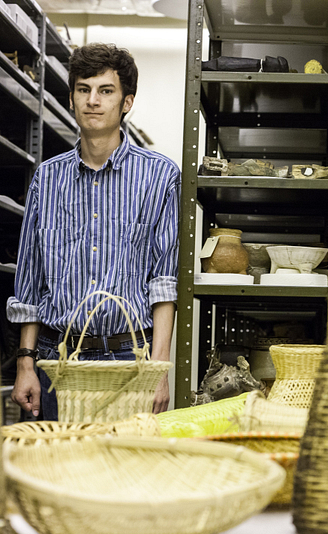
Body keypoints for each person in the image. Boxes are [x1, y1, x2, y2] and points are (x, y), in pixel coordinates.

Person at [7, 43, 180, 419]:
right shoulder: (47, 179)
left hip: (128, 360)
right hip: (55, 362)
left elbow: (164, 283)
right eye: (84, 90)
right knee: (50, 470)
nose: (93, 101)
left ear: (127, 102)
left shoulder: (161, 177)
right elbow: (30, 282)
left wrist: (159, 371)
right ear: (71, 98)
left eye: (106, 91)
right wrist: (25, 366)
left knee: (120, 474)